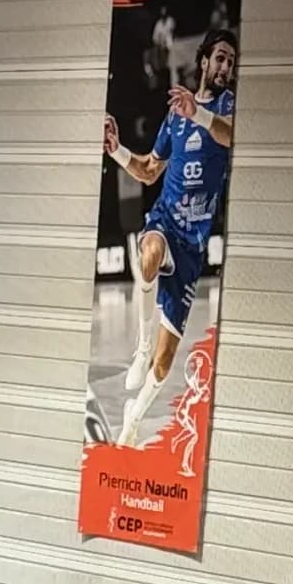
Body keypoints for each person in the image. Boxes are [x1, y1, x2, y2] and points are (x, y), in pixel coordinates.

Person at [102, 28, 236, 448]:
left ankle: (133, 420)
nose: (225, 67)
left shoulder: (228, 108)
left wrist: (198, 114)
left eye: (231, 61)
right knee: (148, 255)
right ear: (204, 61)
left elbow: (229, 135)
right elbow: (148, 170)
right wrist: (116, 150)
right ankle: (140, 346)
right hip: (166, 220)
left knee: (165, 363)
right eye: (220, 58)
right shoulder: (176, 115)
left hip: (193, 244)